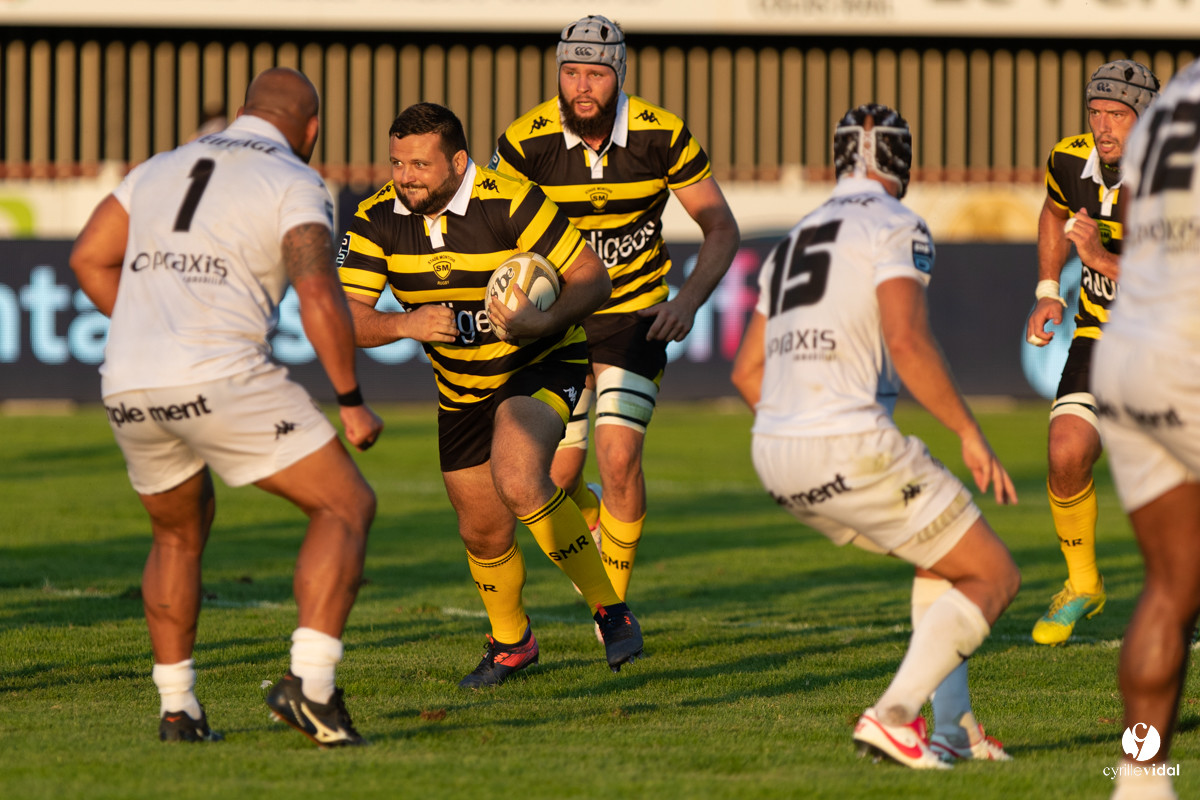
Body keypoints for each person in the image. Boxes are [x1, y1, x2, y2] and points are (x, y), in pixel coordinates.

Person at [68, 67, 384, 747]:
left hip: (127, 380)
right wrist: (352, 401)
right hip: (218, 373)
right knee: (345, 505)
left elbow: (89, 258)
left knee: (177, 534)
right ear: (311, 129)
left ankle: (179, 708)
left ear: (244, 110)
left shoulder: (160, 166)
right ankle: (313, 688)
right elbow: (320, 298)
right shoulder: (294, 180)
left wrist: (150, 329)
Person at [731, 104, 1021, 768]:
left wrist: (799, 430)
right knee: (994, 575)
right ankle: (891, 717)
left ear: (837, 159)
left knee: (941, 555)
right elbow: (908, 341)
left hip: (773, 453)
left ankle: (954, 729)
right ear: (900, 162)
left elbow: (748, 370)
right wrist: (968, 432)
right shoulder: (895, 223)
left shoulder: (793, 236)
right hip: (847, 446)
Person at [336, 102, 643, 688]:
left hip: (541, 360)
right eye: (397, 163)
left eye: (419, 164)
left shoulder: (513, 200)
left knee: (520, 474)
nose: (405, 177)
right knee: (482, 530)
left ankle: (611, 609)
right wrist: (404, 325)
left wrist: (535, 322)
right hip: (460, 387)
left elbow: (592, 279)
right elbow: (341, 317)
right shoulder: (376, 217)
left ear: (457, 161)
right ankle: (512, 643)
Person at [491, 15, 740, 609]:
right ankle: (598, 522)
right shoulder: (524, 142)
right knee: (555, 479)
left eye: (595, 73)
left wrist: (688, 299)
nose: (581, 86)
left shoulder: (663, 135)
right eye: (570, 72)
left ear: (619, 75)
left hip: (635, 315)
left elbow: (720, 228)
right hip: (558, 320)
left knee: (620, 455)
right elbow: (497, 229)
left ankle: (613, 615)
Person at [1091, 60, 1200, 800]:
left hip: (1127, 351)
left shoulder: (1172, 100)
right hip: (1192, 349)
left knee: (1173, 583)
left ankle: (1140, 785)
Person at [1025, 60, 1160, 646]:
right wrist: (1050, 291)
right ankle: (1083, 583)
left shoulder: (1175, 178)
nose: (1104, 126)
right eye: (1096, 112)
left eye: (1119, 115)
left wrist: (1101, 260)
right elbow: (1055, 213)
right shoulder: (1068, 158)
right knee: (1067, 450)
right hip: (1103, 332)